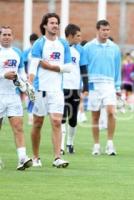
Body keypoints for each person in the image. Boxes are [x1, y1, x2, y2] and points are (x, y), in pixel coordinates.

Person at [28, 13, 72, 168]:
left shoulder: (63, 44)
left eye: (57, 23)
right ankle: (35, 157)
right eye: (52, 23)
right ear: (45, 25)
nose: (55, 25)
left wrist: (52, 67)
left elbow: (69, 67)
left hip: (57, 90)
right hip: (40, 90)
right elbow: (33, 65)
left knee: (56, 122)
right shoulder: (39, 44)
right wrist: (30, 82)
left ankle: (57, 157)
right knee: (38, 123)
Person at [84, 20, 121, 156]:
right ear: (97, 30)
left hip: (109, 84)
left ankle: (110, 144)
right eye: (103, 30)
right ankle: (96, 145)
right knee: (95, 116)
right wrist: (85, 86)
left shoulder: (115, 48)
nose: (106, 32)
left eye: (108, 30)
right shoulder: (88, 47)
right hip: (93, 84)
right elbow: (84, 67)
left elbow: (117, 68)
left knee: (111, 112)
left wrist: (117, 86)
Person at [0, 26, 32, 170]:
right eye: (4, 34)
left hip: (13, 95)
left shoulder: (17, 52)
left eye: (9, 34)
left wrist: (25, 86)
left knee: (18, 126)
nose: (7, 37)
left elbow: (22, 73)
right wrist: (3, 75)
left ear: (13, 36)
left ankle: (22, 159)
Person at [60, 24, 89, 155]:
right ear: (71, 35)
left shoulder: (80, 50)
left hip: (75, 89)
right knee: (62, 117)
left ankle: (70, 143)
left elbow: (83, 69)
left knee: (73, 119)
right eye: (78, 35)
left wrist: (86, 87)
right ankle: (60, 146)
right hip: (60, 88)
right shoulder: (59, 46)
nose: (80, 38)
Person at [22, 33, 39, 125]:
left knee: (36, 97)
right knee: (29, 95)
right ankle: (30, 116)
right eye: (32, 42)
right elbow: (24, 64)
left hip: (38, 78)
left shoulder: (40, 51)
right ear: (30, 42)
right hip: (29, 77)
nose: (33, 43)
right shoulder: (27, 52)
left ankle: (34, 115)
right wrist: (26, 76)